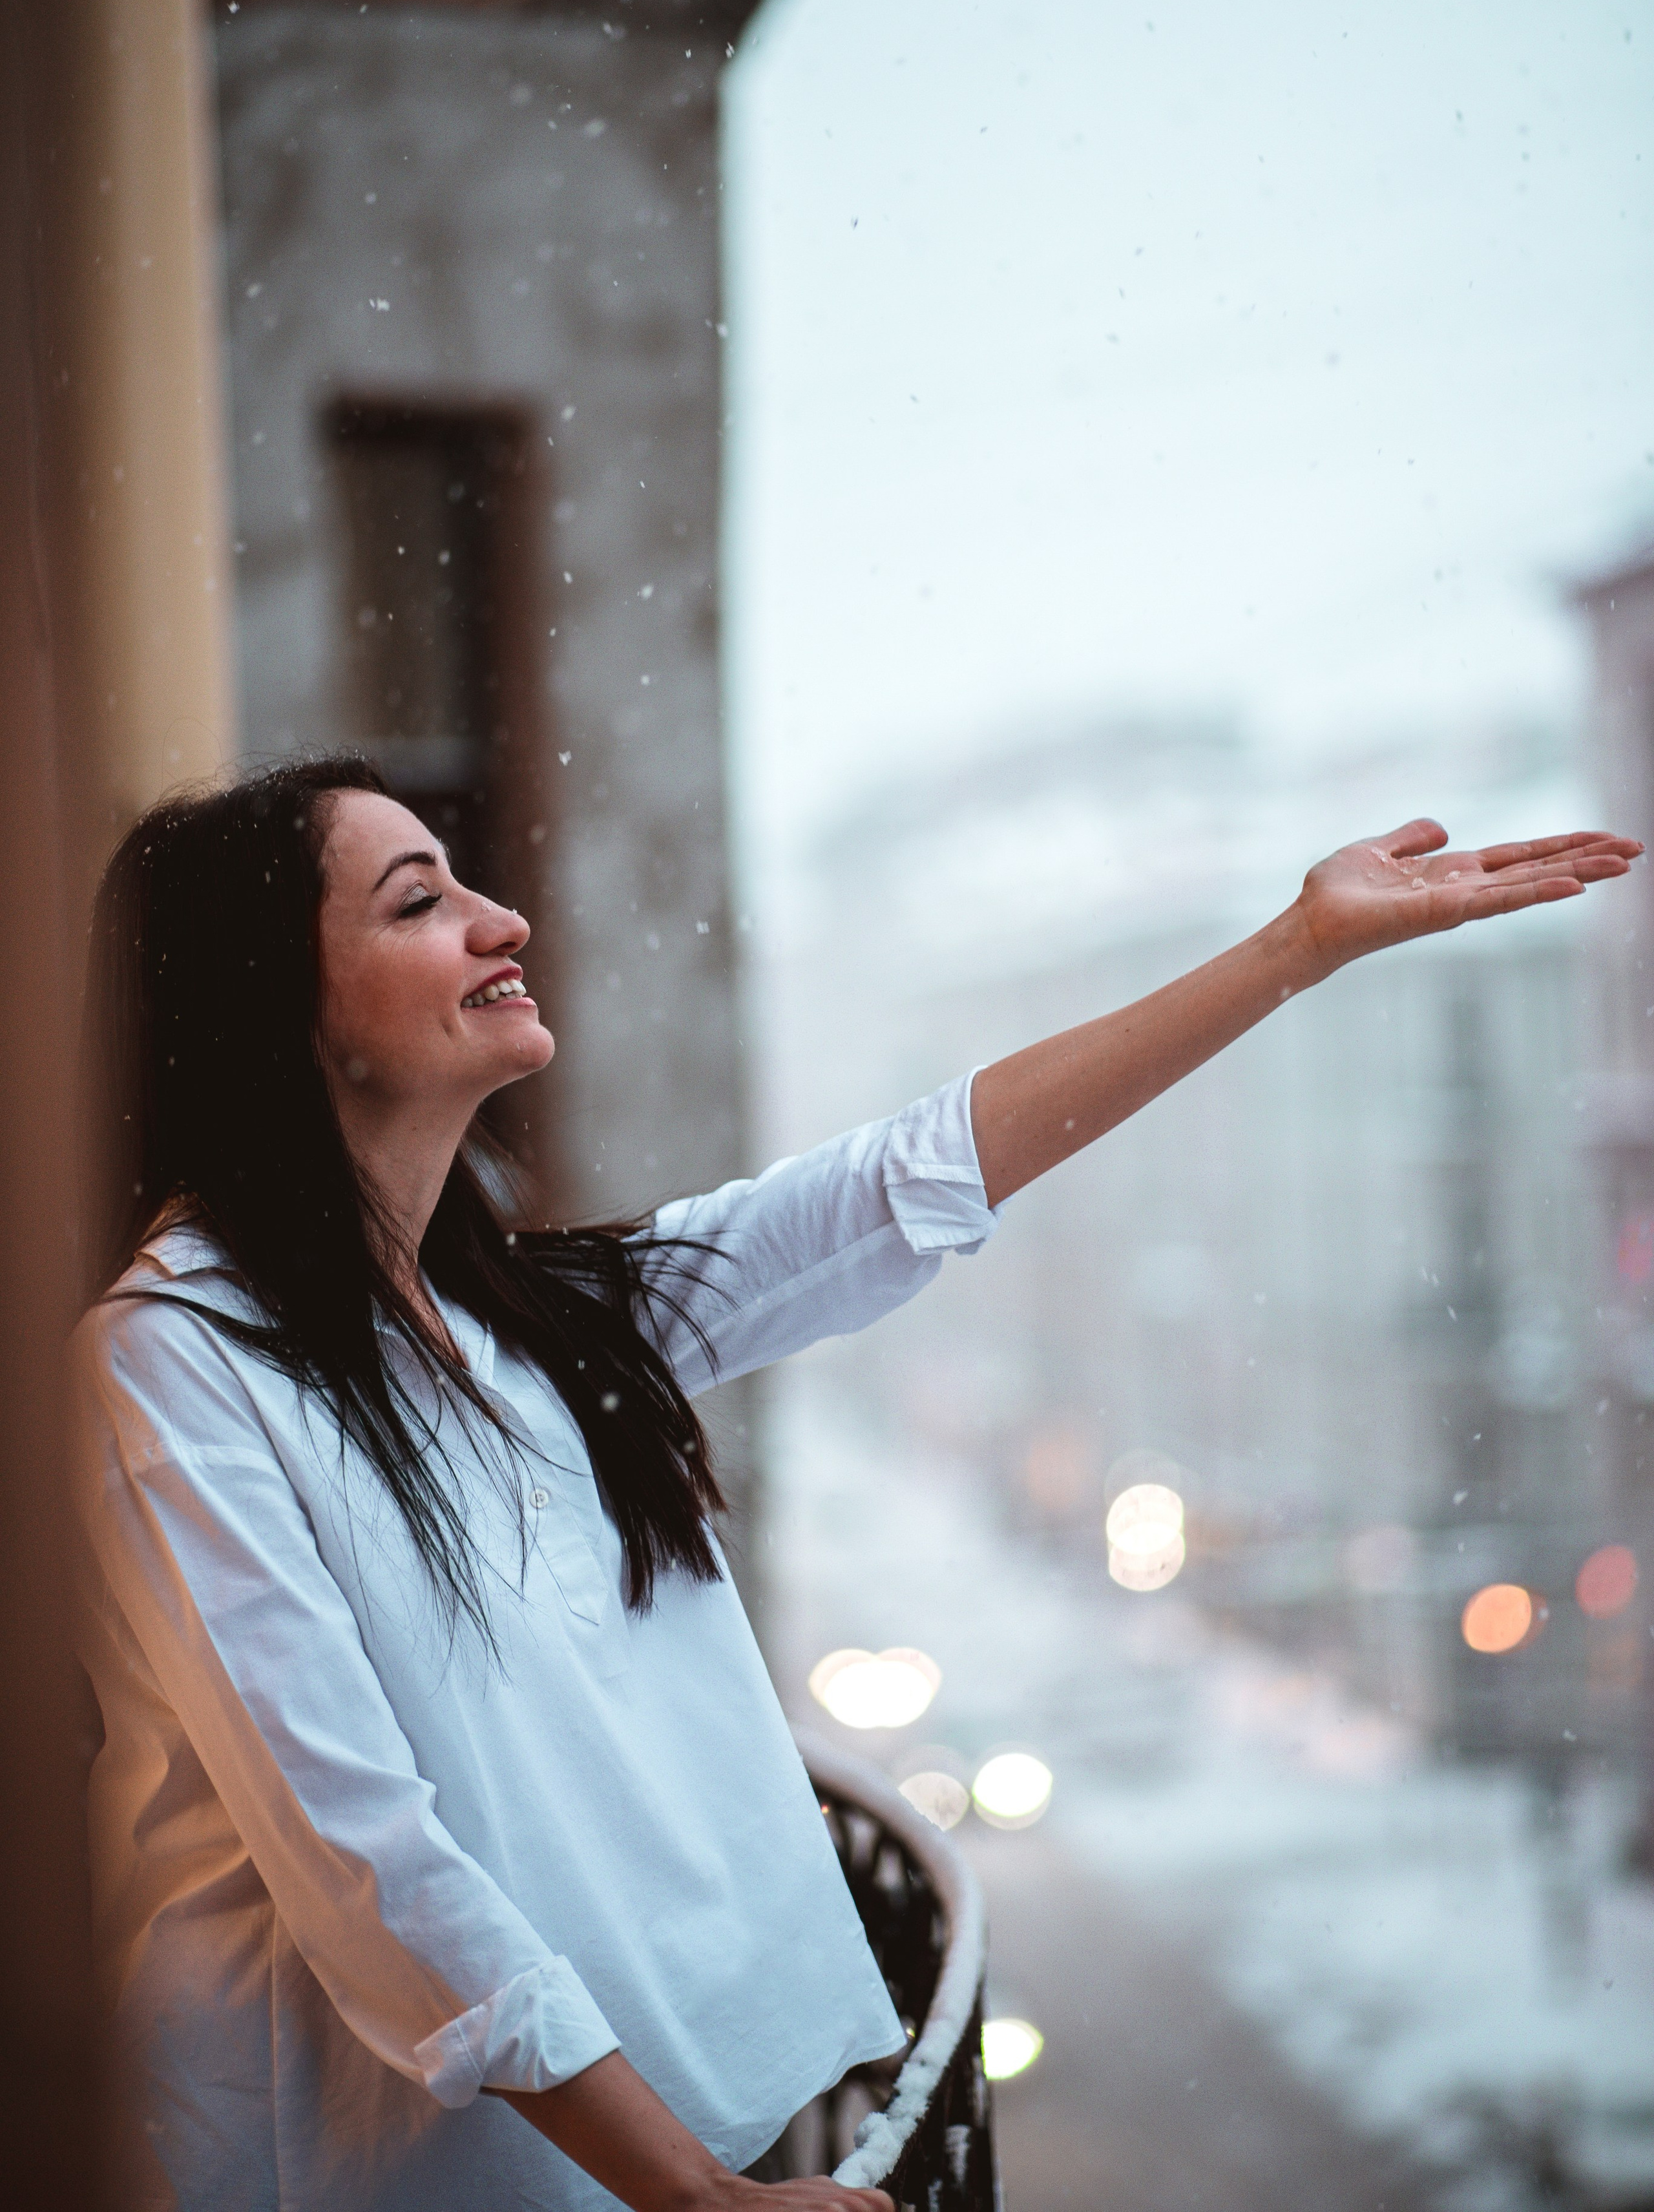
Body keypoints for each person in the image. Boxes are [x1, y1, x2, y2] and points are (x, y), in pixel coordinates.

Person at [72, 753, 1638, 2212]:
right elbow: (366, 1853)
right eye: (417, 900)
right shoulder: (168, 1363)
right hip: (344, 2161)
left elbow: (904, 1182)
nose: (503, 916)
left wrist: (1294, 946)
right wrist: (692, 2192)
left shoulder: (509, 1321)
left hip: (605, 2151)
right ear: (279, 1008)